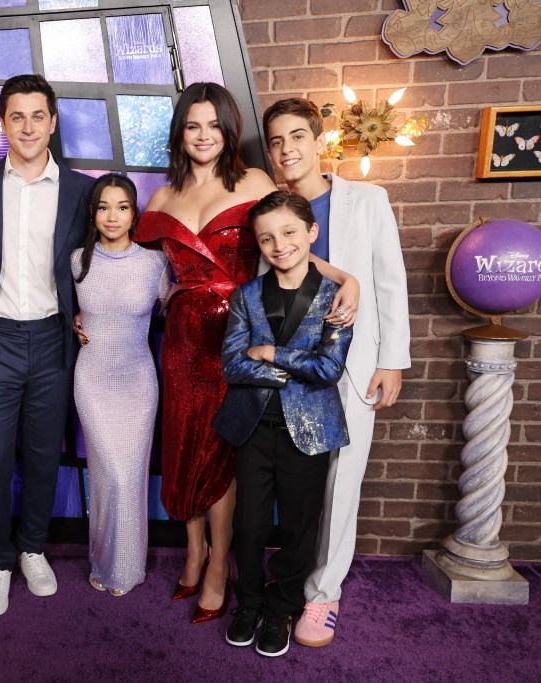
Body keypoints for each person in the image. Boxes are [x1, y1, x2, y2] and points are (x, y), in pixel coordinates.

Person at [134, 82, 358, 624]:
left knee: (224, 451)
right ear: (179, 132)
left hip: (236, 339)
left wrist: (342, 276)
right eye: (193, 125)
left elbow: (289, 241)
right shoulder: (162, 198)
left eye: (214, 125)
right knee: (183, 447)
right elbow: (127, 264)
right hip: (183, 341)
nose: (203, 135)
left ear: (229, 131)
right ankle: (193, 554)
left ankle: (219, 569)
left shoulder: (256, 181)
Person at [261, 98, 410, 647]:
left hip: (354, 367)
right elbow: (276, 274)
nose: (287, 150)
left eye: (297, 136)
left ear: (319, 140)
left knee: (343, 481)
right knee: (296, 484)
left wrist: (393, 358)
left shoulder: (368, 200)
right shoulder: (270, 210)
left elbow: (390, 282)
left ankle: (323, 595)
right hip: (292, 369)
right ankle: (286, 583)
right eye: (276, 142)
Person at [0, 73, 93, 616]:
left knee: (43, 454)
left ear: (53, 123)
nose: (29, 126)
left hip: (54, 338)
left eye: (39, 116)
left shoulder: (84, 191)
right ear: (2, 125)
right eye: (17, 116)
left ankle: (33, 547)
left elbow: (106, 253)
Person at [214, 190, 353, 657]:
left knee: (298, 528)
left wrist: (271, 353)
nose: (279, 245)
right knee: (250, 527)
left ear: (312, 233)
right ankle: (250, 602)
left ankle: (282, 607)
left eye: (290, 233)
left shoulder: (337, 297)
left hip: (310, 433)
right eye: (267, 237)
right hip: (254, 429)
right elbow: (232, 365)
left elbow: (329, 368)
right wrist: (293, 364)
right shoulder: (246, 296)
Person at [71, 174, 169, 597]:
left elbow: (178, 311)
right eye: (104, 207)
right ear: (93, 213)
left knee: (129, 475)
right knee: (107, 471)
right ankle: (103, 557)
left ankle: (124, 567)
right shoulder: (77, 260)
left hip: (137, 381)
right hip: (92, 378)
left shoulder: (155, 264)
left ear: (135, 212)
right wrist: (75, 322)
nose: (113, 216)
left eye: (123, 206)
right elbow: (60, 309)